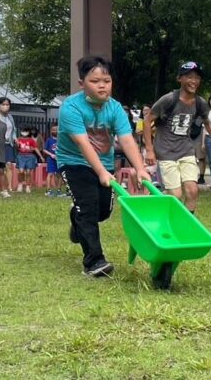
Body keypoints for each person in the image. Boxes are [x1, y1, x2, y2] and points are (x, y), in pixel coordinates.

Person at [59, 56, 150, 277]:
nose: (102, 85)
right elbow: (83, 144)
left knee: (103, 211)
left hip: (105, 162)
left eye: (106, 81)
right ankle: (94, 262)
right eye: (95, 81)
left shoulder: (115, 108)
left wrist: (140, 168)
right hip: (74, 162)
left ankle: (76, 218)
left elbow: (126, 139)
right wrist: (100, 172)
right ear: (82, 84)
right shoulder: (70, 107)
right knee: (88, 207)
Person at [143, 61, 211, 213]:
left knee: (192, 191)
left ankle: (186, 227)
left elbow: (207, 122)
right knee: (176, 195)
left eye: (197, 78)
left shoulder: (200, 102)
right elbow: (147, 121)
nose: (194, 81)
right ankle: (161, 202)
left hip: (186, 149)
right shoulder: (168, 99)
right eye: (190, 77)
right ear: (179, 79)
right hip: (166, 151)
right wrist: (149, 149)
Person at [15, 126, 43, 193]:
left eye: (26, 131)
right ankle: (20, 184)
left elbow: (35, 148)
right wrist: (17, 144)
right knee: (21, 171)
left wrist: (41, 156)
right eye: (23, 131)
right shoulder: (18, 139)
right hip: (21, 156)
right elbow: (17, 148)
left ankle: (27, 186)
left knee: (28, 172)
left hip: (30, 156)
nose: (24, 132)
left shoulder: (31, 140)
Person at [0, 97, 17, 171]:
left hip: (8, 143)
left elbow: (13, 129)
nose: (6, 106)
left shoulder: (10, 116)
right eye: (3, 104)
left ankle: (9, 183)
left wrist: (15, 138)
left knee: (9, 165)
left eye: (7, 105)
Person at [44, 123, 63, 196]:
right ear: (51, 131)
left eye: (57, 130)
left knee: (59, 174)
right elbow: (44, 150)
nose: (55, 131)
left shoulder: (61, 140)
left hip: (59, 159)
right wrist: (51, 155)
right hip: (51, 159)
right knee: (50, 174)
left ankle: (59, 190)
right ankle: (48, 190)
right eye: (54, 130)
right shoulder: (49, 140)